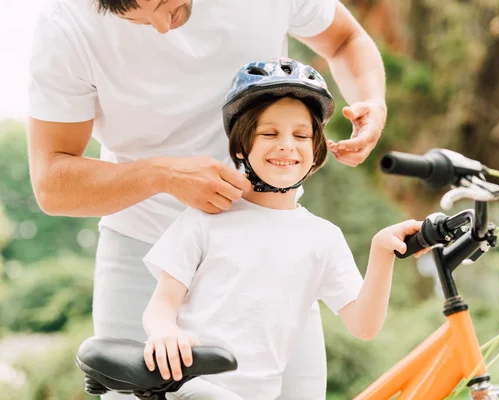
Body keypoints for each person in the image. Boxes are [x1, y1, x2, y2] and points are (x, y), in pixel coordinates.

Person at [27, 1, 387, 399]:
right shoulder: (66, 26)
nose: (164, 27)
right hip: (143, 243)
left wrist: (372, 100)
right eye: (135, 17)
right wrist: (161, 175)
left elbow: (344, 39)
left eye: (169, 3)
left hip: (276, 253)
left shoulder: (316, 240)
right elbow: (51, 183)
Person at [141, 58, 425, 400]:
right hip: (193, 387)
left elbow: (363, 326)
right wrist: (163, 331)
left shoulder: (322, 238)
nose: (287, 145)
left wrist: (381, 253)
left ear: (316, 149)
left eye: (301, 135)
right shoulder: (207, 216)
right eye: (269, 133)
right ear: (242, 145)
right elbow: (161, 305)